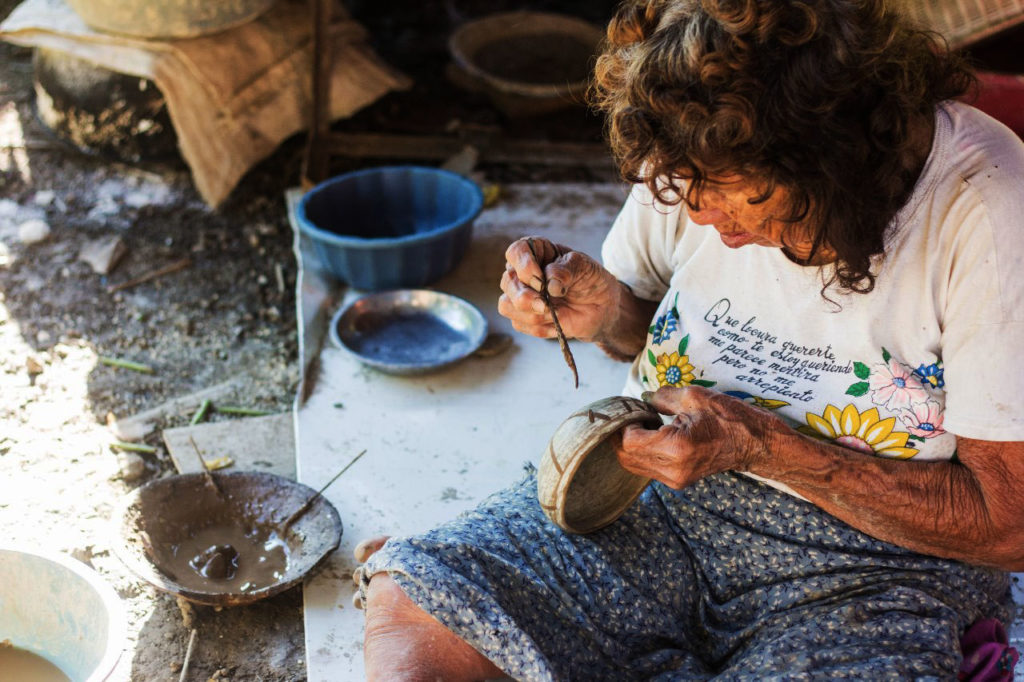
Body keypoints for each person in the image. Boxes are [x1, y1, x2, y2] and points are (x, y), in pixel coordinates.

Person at [356, 0, 1024, 679]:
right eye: (687, 191)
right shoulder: (695, 149)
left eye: (735, 194)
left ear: (832, 159)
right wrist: (608, 312)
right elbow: (650, 325)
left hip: (871, 572)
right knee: (417, 607)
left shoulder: (989, 210)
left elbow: (1009, 525)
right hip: (654, 506)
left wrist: (763, 445)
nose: (703, 217)